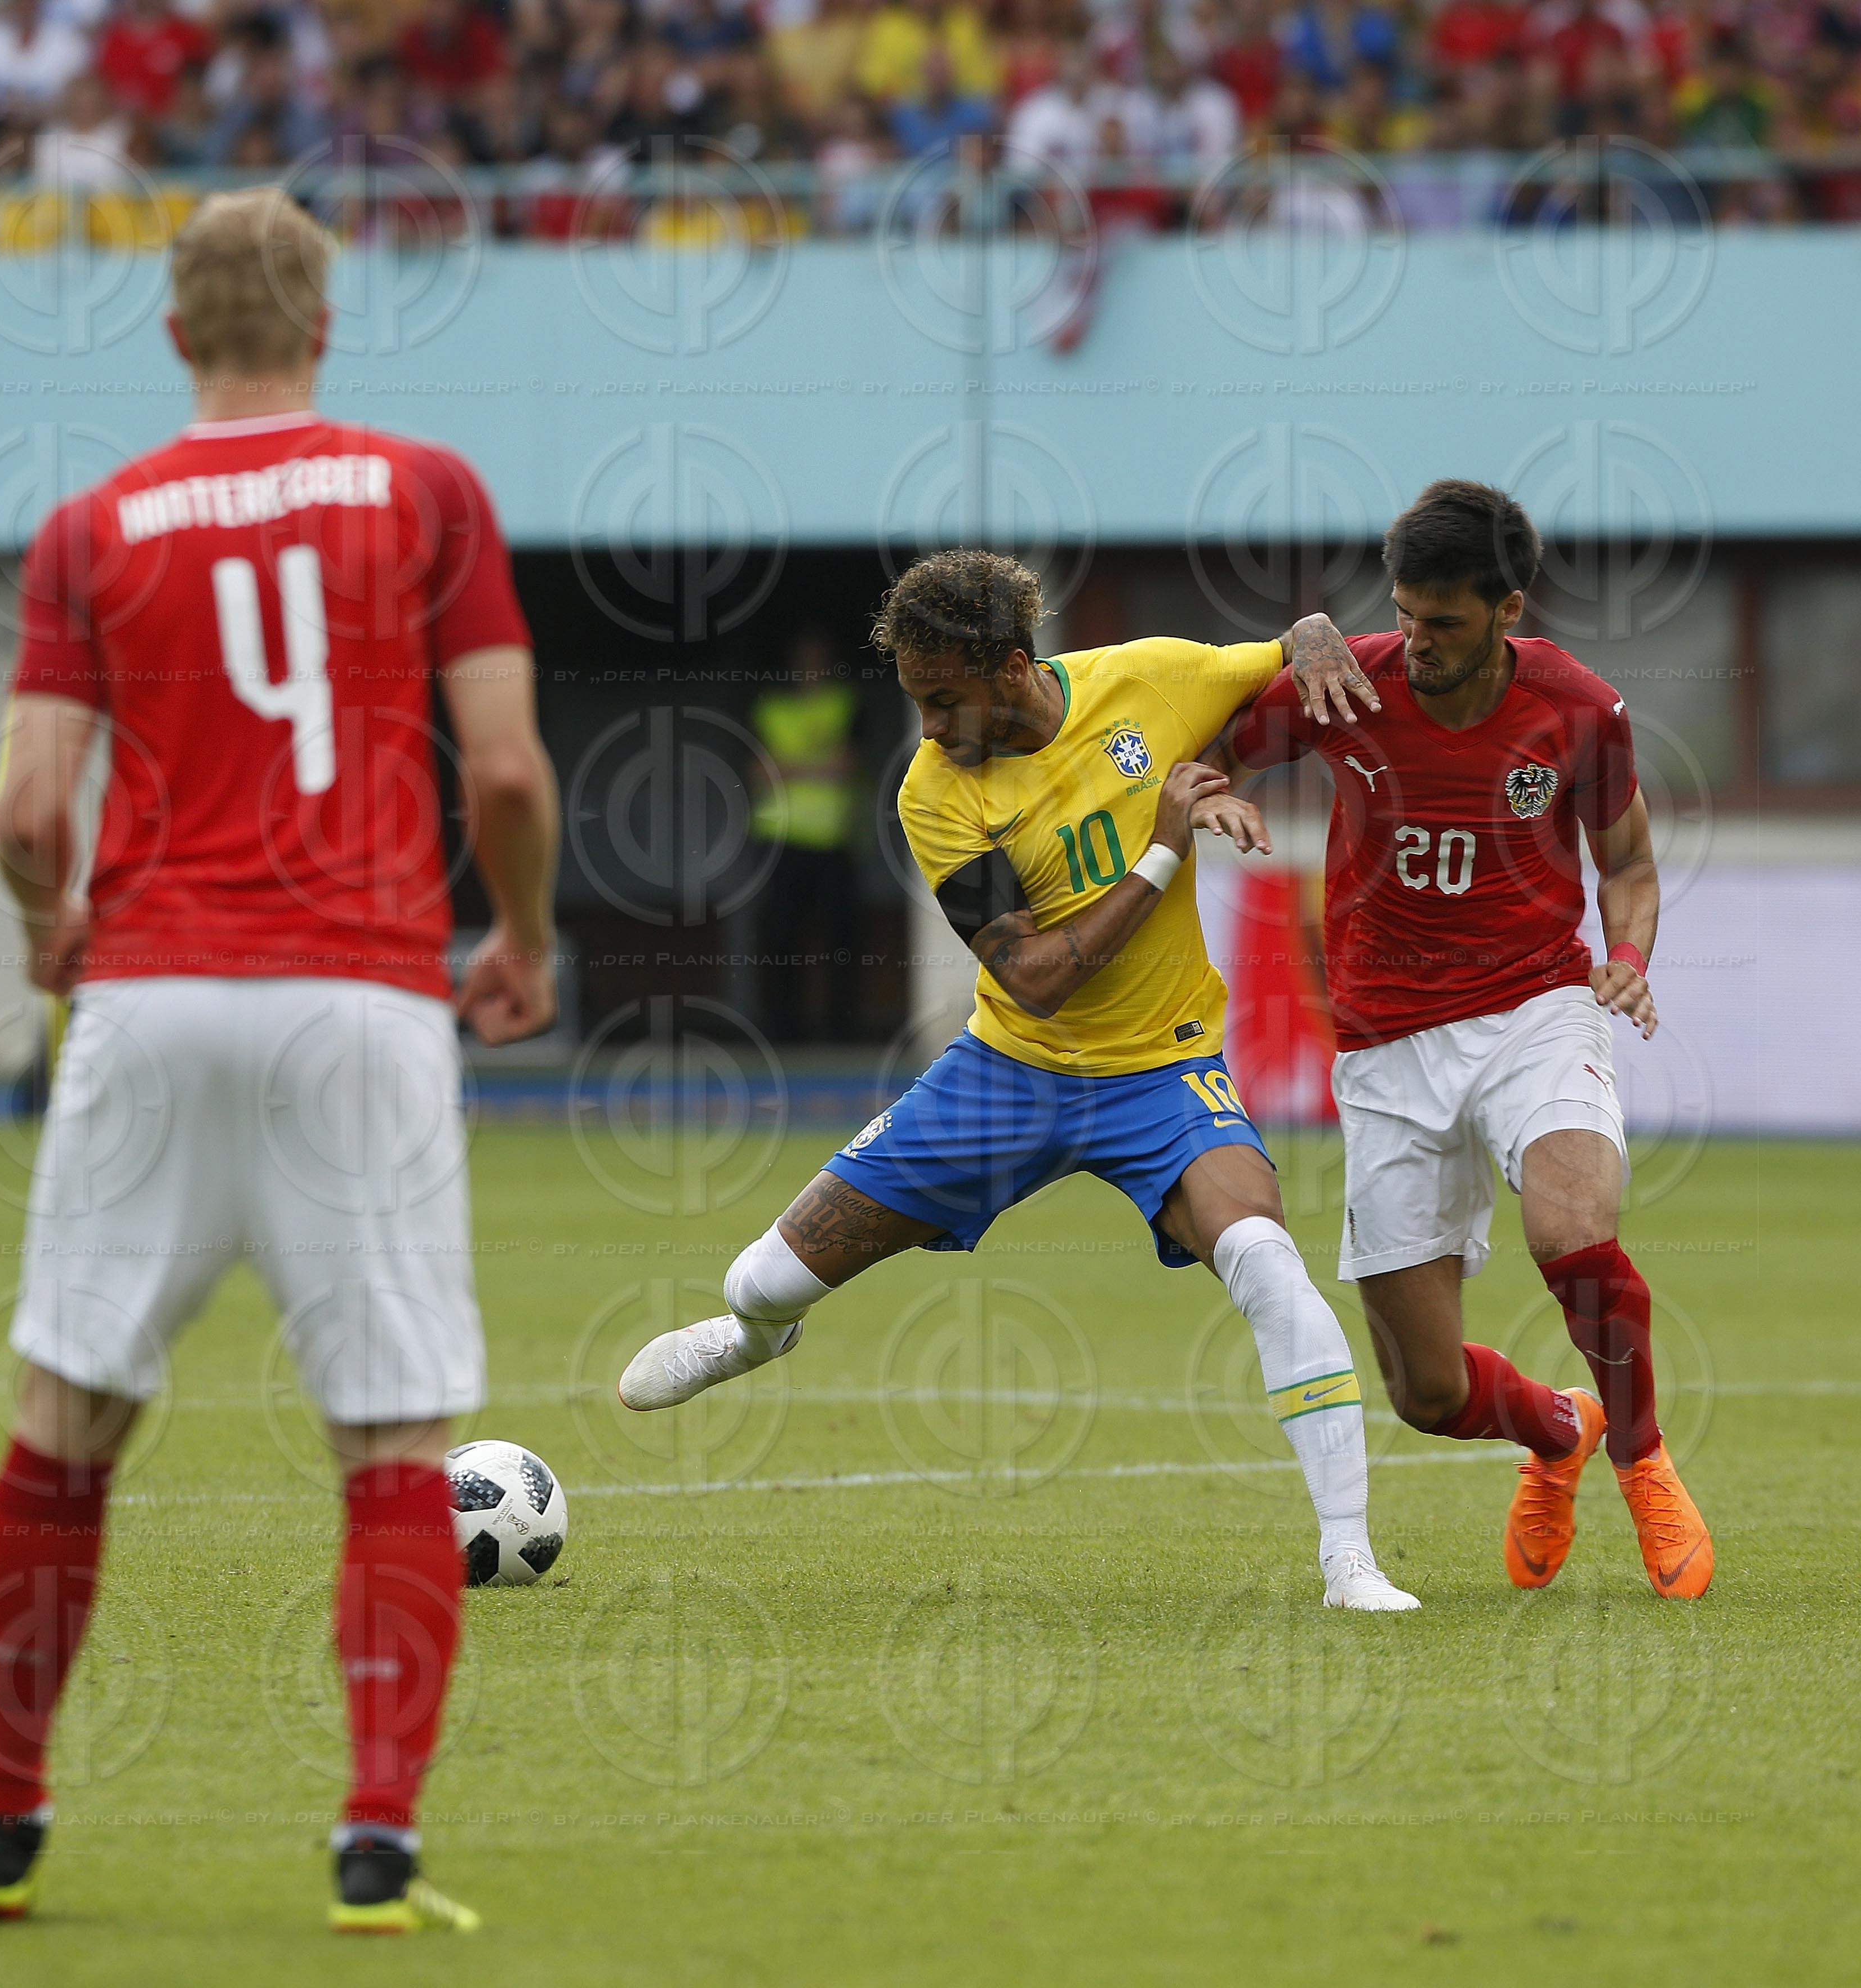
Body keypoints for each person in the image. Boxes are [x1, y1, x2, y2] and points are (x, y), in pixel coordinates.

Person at [0, 188, 559, 1932]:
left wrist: (52, 918)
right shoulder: (426, 492)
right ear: (326, 328)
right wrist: (518, 936)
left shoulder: (92, 525)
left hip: (147, 997)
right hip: (356, 997)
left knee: (68, 1419)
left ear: (173, 335)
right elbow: (505, 776)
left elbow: (34, 806)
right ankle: (375, 1846)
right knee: (390, 1436)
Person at [619, 548, 1419, 1614]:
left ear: (1008, 666)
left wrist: (1316, 628)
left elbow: (1290, 652)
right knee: (756, 1282)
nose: (928, 727)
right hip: (1009, 1072)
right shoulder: (933, 795)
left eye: (942, 700)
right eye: (914, 702)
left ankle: (1349, 1561)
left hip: (1161, 1068)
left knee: (1267, 1260)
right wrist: (1162, 853)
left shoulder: (1148, 679)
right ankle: (756, 1340)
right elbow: (1036, 979)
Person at [1214, 478, 1713, 1600]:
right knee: (1426, 1395)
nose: (1418, 643)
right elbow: (1208, 737)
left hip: (1538, 1006)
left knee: (1573, 1235)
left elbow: (1628, 864)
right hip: (1386, 1043)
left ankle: (1643, 1462)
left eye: (1444, 623)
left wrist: (1625, 966)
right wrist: (1221, 769)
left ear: (1509, 610)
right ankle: (1557, 1431)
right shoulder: (1351, 683)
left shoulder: (1578, 708)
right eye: (1406, 614)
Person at [750, 629, 862, 1044]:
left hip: (834, 839)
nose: (812, 670)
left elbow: (848, 766)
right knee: (779, 938)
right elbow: (757, 773)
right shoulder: (771, 708)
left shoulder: (845, 704)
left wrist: (788, 767)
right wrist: (818, 764)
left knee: (841, 940)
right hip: (778, 840)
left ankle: (841, 1030)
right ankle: (783, 1031)